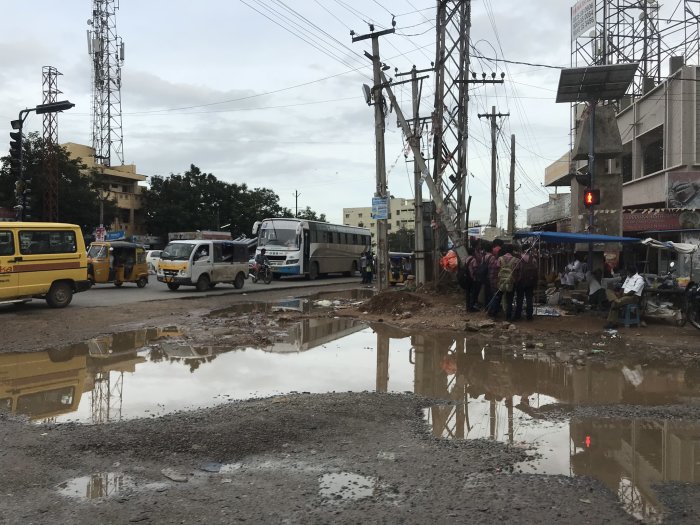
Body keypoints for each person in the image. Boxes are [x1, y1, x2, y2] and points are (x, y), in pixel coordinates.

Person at [604, 265, 645, 329]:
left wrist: (623, 296)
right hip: (623, 296)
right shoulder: (628, 277)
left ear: (631, 272)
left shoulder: (640, 279)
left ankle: (611, 323)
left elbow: (632, 292)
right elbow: (623, 288)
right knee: (608, 291)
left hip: (633, 297)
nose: (627, 273)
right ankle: (616, 300)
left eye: (627, 272)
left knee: (614, 304)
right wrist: (619, 294)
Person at [490, 244, 519, 321]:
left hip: (501, 281)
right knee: (509, 300)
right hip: (510, 282)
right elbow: (517, 271)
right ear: (512, 251)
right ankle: (508, 317)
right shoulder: (516, 260)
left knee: (498, 298)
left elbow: (497, 269)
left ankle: (494, 314)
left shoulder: (500, 259)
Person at [513, 249, 537, 321]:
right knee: (529, 299)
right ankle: (529, 316)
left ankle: (518, 315)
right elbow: (536, 270)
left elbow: (516, 270)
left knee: (519, 298)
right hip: (530, 281)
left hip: (520, 282)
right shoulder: (533, 259)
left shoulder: (518, 258)